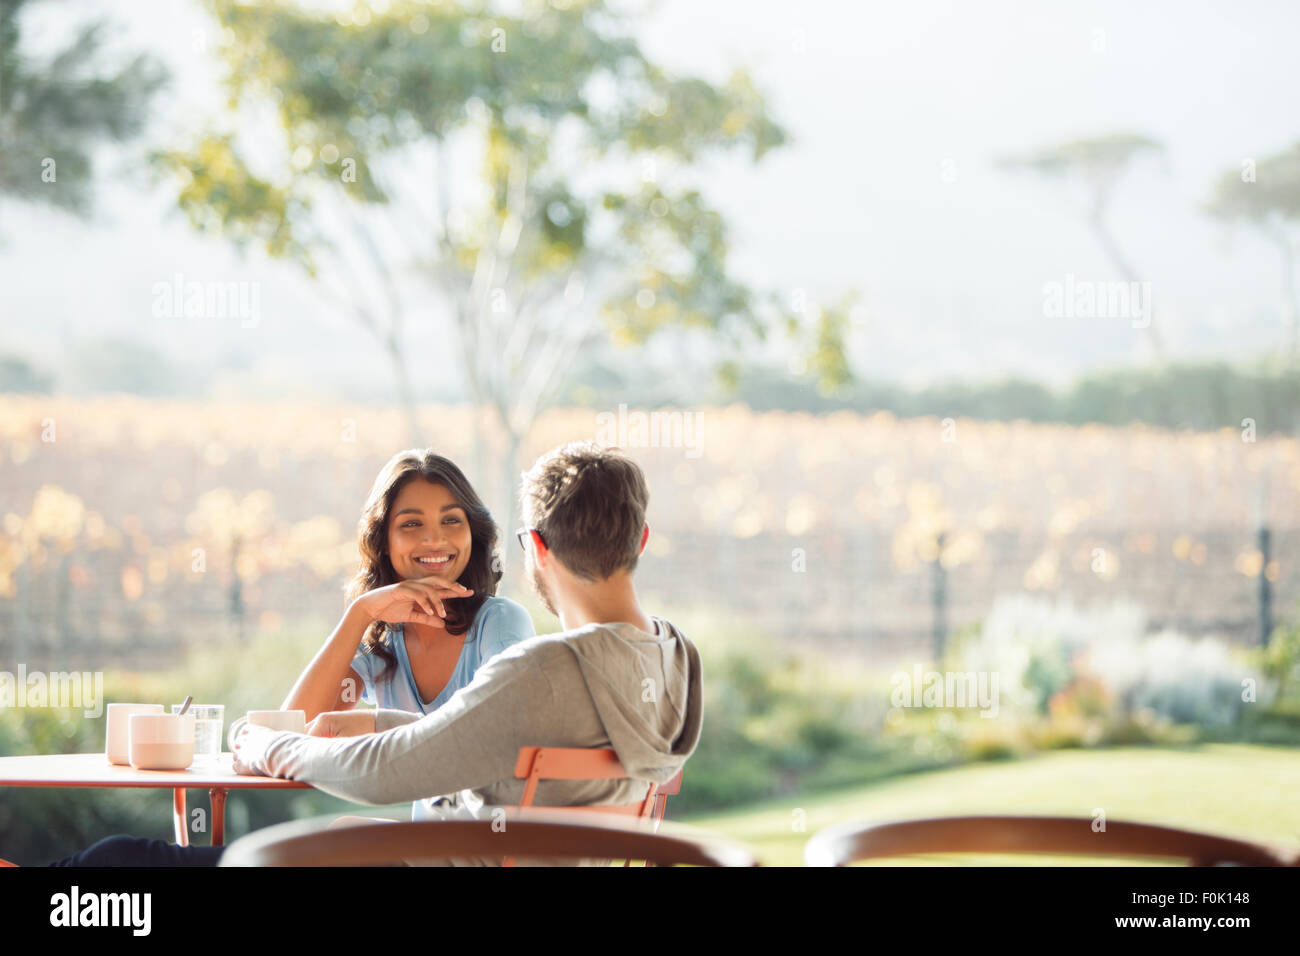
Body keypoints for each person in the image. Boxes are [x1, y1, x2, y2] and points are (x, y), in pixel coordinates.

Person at [37, 448, 537, 866]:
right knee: (130, 859)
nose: (434, 539)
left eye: (453, 521)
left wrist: (379, 726)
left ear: (474, 534)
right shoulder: (383, 644)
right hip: (404, 854)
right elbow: (288, 732)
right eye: (412, 524)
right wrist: (359, 615)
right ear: (383, 541)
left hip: (444, 858)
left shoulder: (500, 623)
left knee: (131, 861)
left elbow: (484, 740)